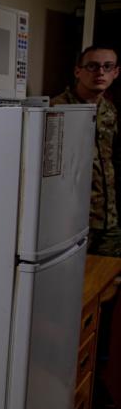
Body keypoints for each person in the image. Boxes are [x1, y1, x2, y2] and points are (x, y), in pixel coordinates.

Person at [51, 45, 120, 255]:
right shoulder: (56, 110)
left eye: (107, 67)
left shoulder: (109, 110)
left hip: (108, 218)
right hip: (72, 221)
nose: (100, 72)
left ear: (116, 72)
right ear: (78, 71)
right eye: (92, 66)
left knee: (108, 272)